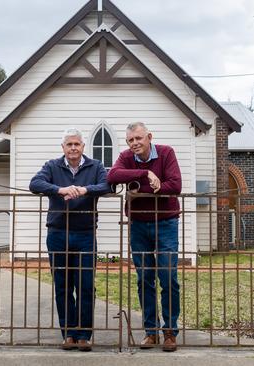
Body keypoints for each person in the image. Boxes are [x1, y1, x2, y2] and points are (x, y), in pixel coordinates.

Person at [29, 128, 111, 352]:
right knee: (63, 286)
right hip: (57, 234)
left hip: (85, 234)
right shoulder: (52, 166)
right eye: (69, 144)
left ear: (83, 146)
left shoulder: (95, 166)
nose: (73, 148)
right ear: (63, 147)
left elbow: (107, 186)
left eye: (77, 144)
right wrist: (60, 189)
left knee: (85, 285)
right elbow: (35, 184)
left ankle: (84, 335)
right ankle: (69, 334)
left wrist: (84, 190)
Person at [106, 122, 181, 352]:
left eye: (139, 138)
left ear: (149, 136)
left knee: (168, 276)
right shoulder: (126, 157)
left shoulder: (166, 153)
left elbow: (174, 186)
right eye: (131, 140)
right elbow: (112, 176)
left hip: (166, 222)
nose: (135, 143)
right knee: (144, 278)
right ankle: (151, 332)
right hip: (138, 225)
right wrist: (145, 173)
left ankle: (169, 331)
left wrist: (138, 191)